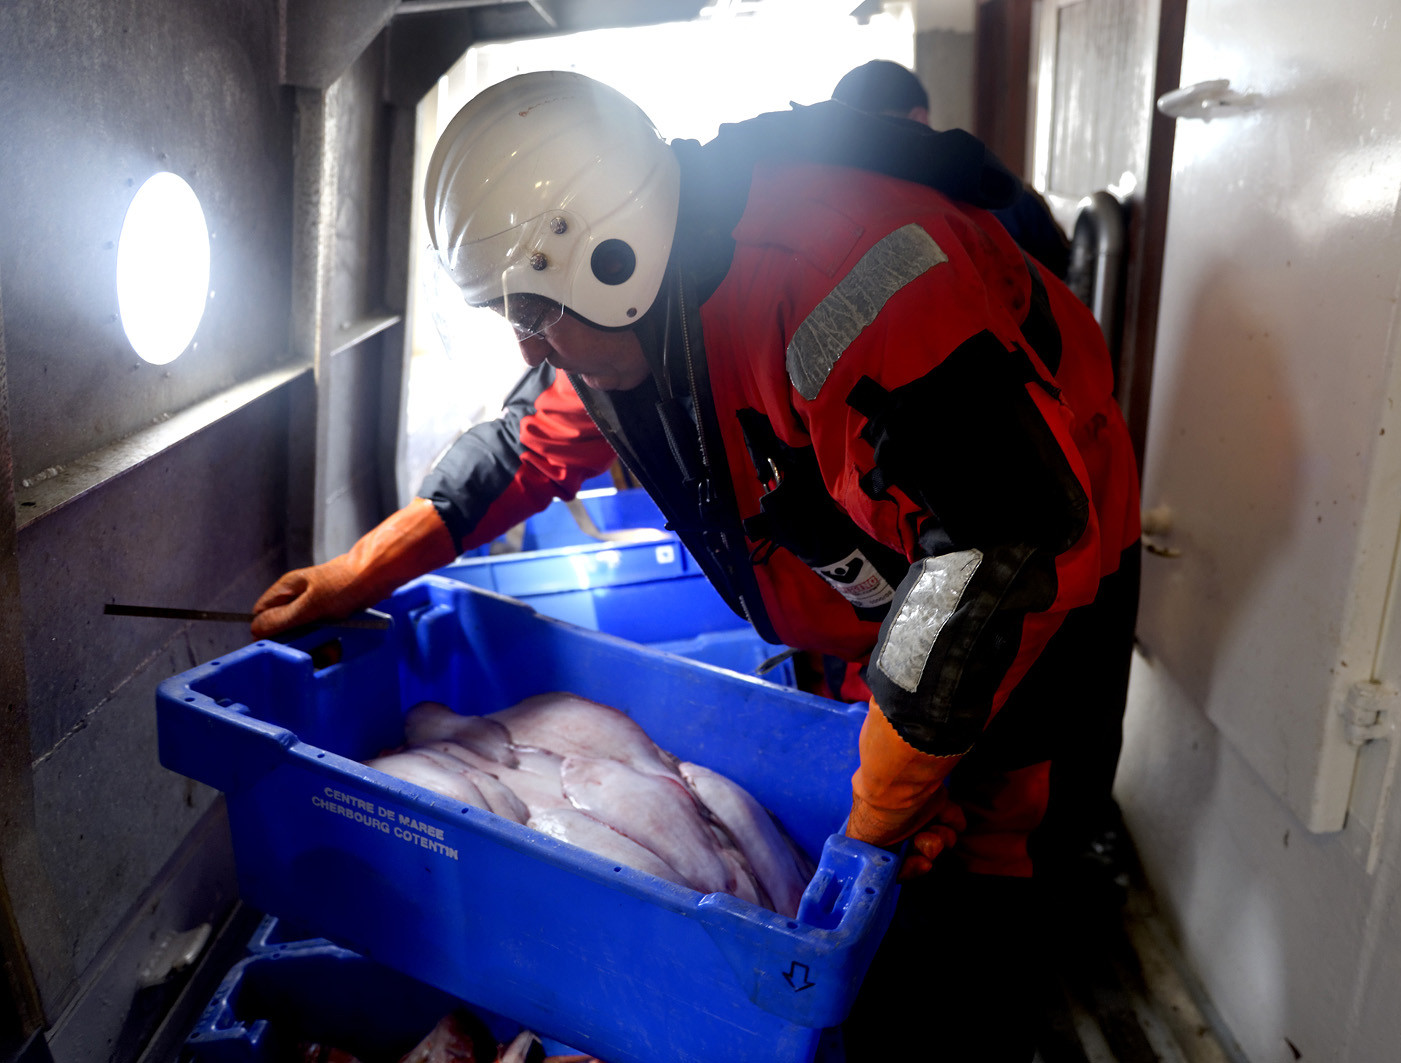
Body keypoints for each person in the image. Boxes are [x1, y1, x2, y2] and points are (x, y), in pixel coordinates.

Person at [253, 72, 1140, 1060]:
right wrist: (361, 571)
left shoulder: (852, 279)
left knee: (990, 890)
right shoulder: (624, 332)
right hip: (871, 611)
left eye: (539, 306)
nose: (527, 338)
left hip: (1037, 599)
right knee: (884, 901)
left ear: (613, 254)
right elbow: (525, 444)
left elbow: (1004, 539)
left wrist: (882, 806)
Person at [832, 59, 1074, 279]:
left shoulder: (1008, 204)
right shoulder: (1009, 199)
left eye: (870, 134)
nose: (860, 153)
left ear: (918, 118)